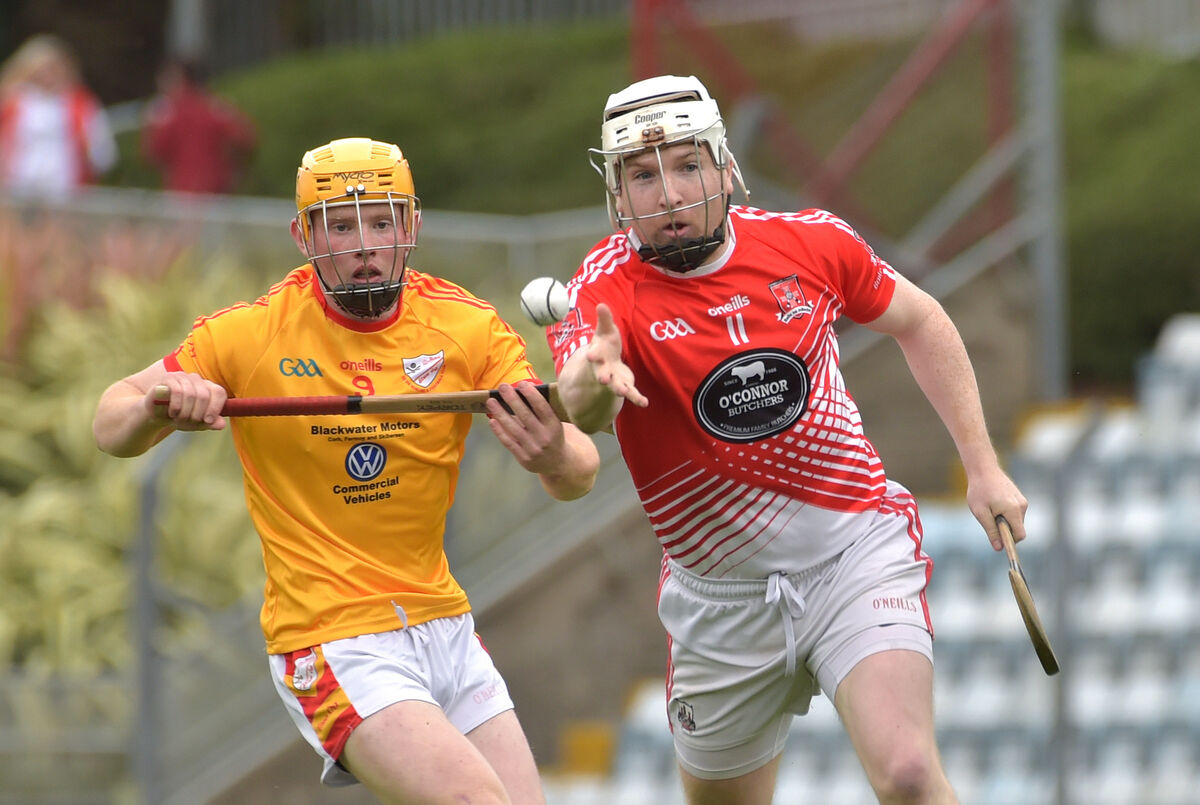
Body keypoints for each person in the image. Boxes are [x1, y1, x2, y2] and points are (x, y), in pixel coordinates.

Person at [548, 75, 1028, 804]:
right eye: (642, 176)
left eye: (686, 166)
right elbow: (578, 409)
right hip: (719, 603)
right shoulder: (601, 290)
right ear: (617, 194)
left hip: (853, 554)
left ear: (724, 166)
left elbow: (922, 320)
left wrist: (983, 467)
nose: (668, 194)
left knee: (906, 771)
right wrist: (589, 375)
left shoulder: (810, 242)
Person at [93, 137, 600, 804]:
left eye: (382, 221)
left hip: (445, 624)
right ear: (304, 236)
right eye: (340, 225)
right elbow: (110, 420)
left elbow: (581, 467)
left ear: (411, 227)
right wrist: (161, 406)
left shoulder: (465, 326)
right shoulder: (251, 334)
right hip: (332, 637)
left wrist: (553, 455)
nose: (363, 243)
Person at [0, 33, 116, 200]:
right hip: (17, 187)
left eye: (53, 69)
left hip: (66, 188)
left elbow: (101, 151)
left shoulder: (80, 104)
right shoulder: (13, 102)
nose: (48, 76)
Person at [141, 58, 257, 194]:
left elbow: (152, 154)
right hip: (216, 192)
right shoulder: (215, 106)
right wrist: (234, 168)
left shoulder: (168, 113)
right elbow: (247, 138)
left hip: (181, 194)